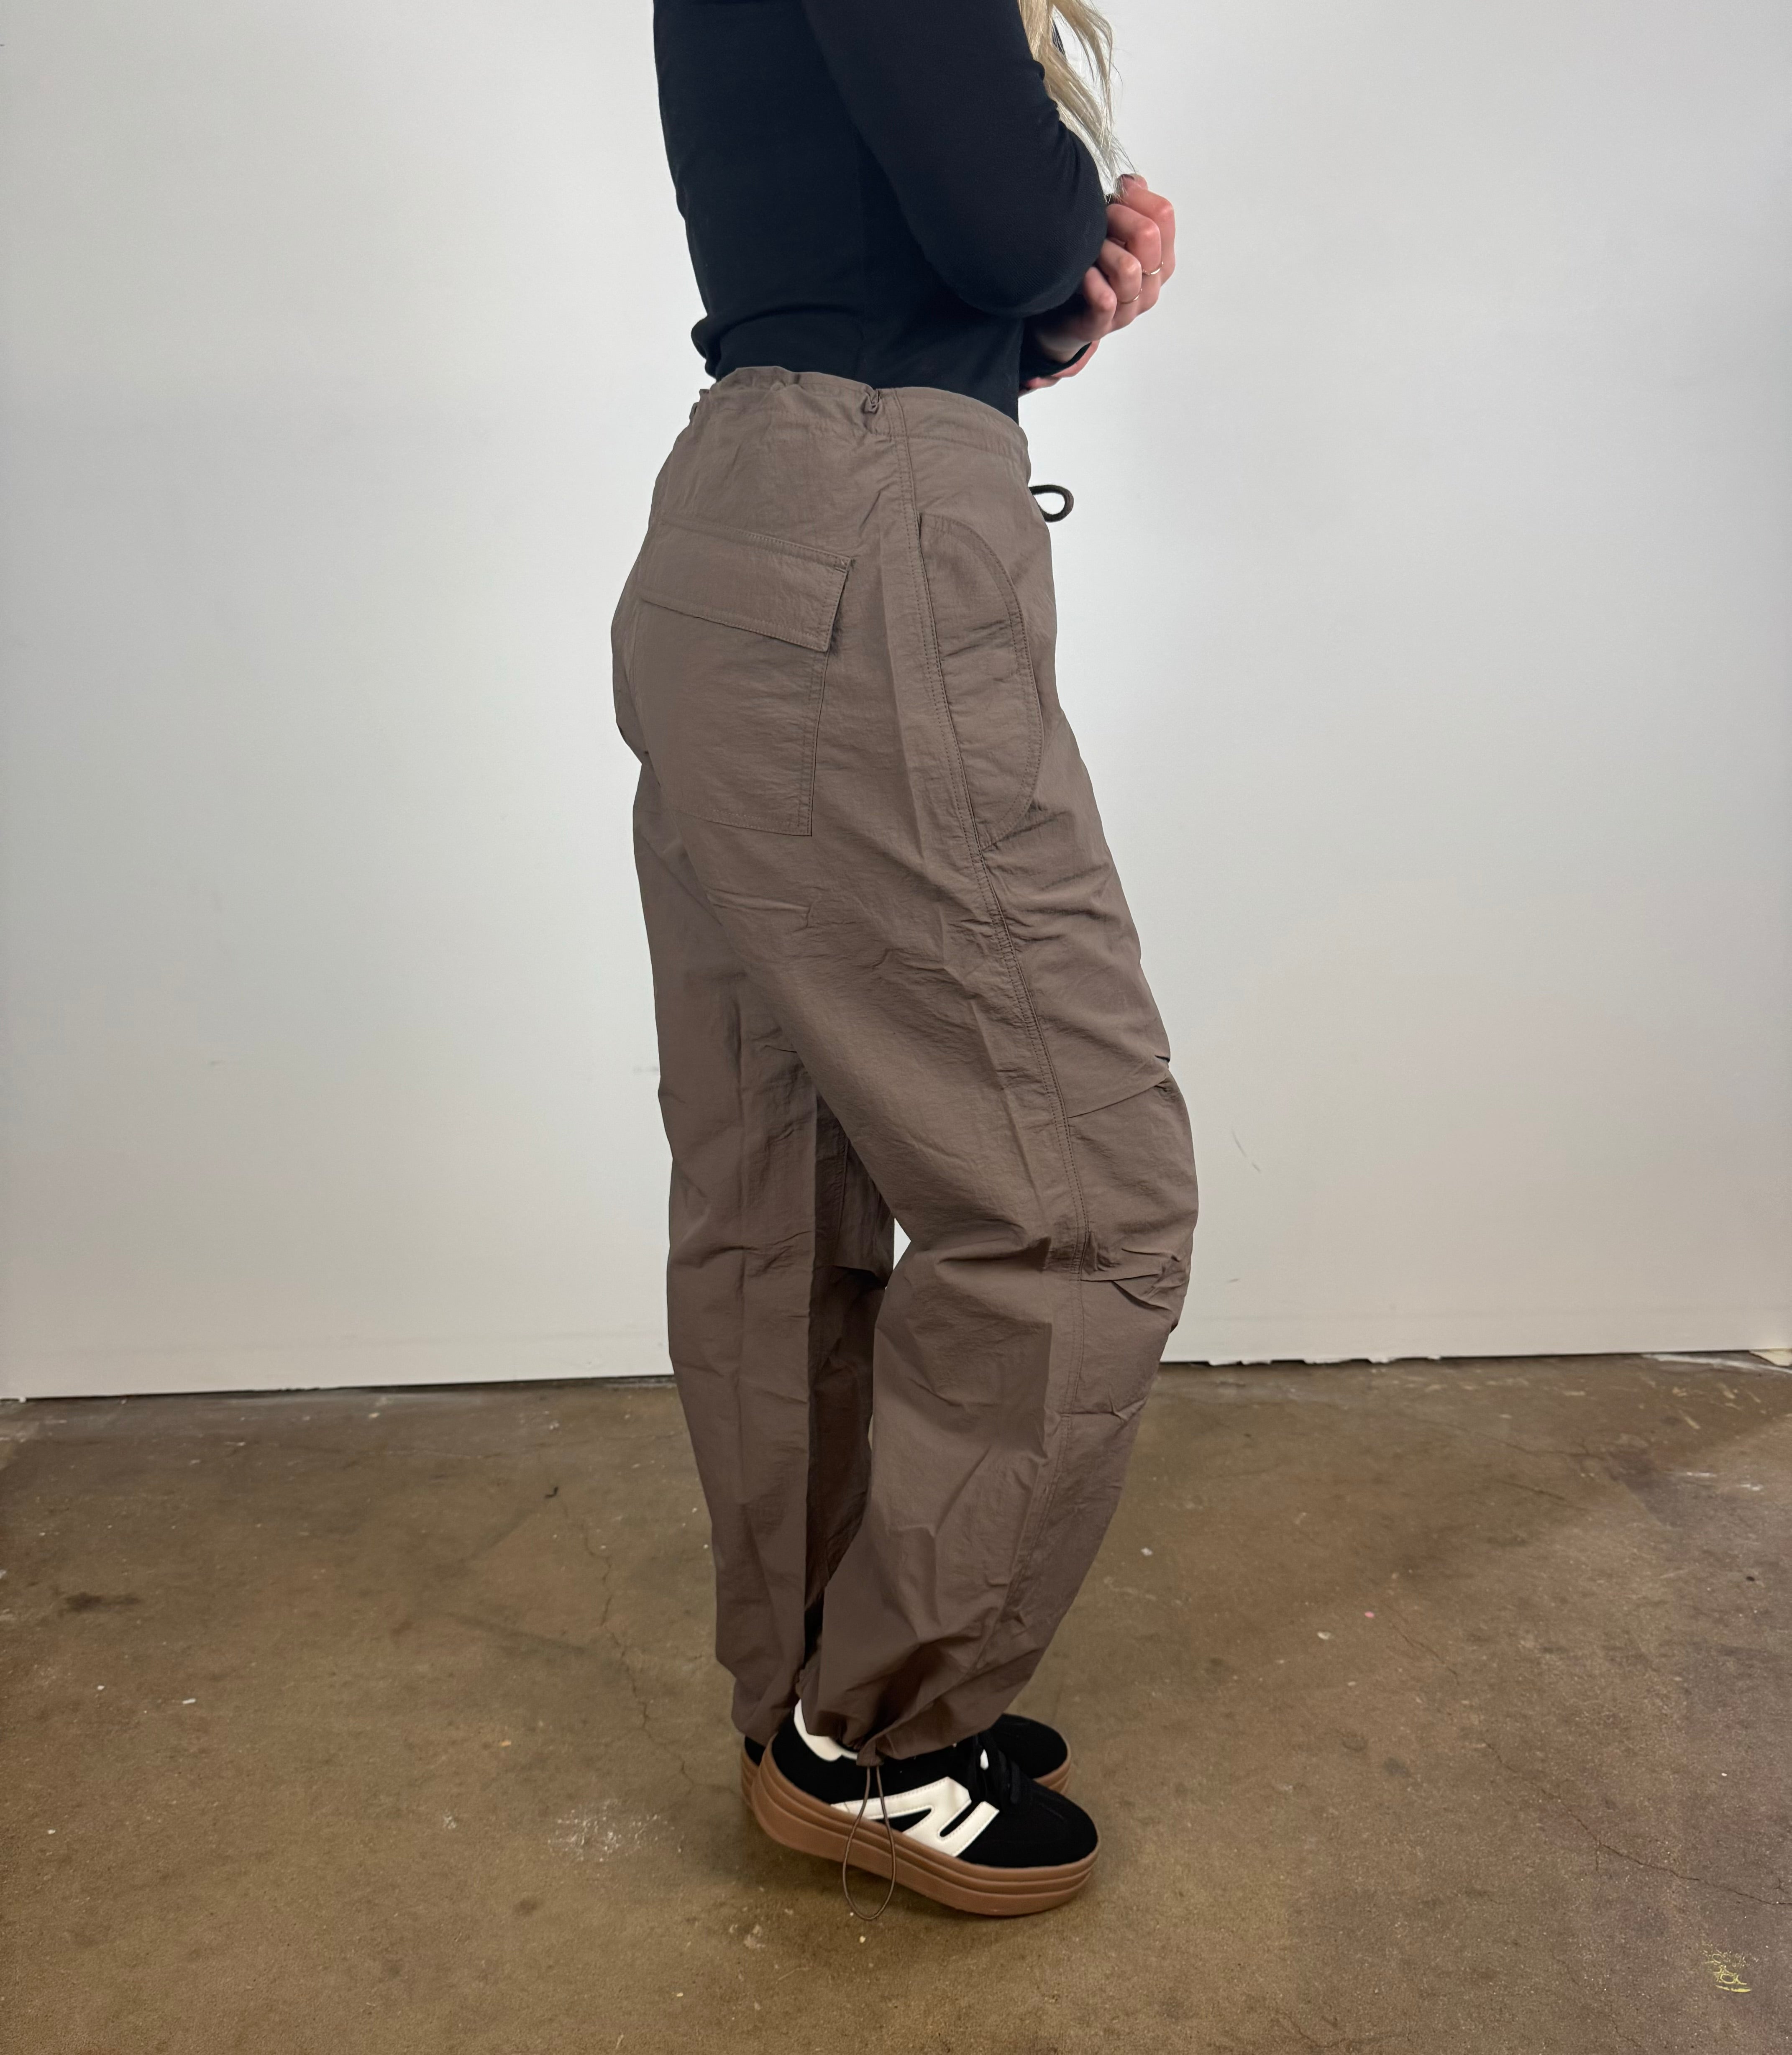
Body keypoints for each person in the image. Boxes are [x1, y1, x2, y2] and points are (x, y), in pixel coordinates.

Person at [610, 0, 1198, 1919]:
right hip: (869, 535)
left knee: (779, 1187)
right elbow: (999, 222)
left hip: (743, 521)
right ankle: (885, 1731)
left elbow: (895, 240)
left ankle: (816, 1705)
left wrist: (1037, 295)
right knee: (1087, 1195)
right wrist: (1072, 237)